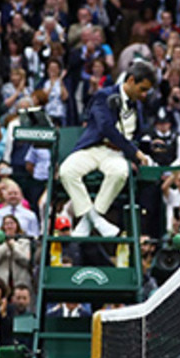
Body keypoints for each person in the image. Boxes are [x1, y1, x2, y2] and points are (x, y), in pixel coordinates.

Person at [57, 60, 155, 237]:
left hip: (116, 154)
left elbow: (136, 135)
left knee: (119, 173)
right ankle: (97, 220)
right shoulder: (103, 95)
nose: (145, 94)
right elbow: (106, 128)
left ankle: (88, 222)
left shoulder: (137, 104)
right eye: (143, 89)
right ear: (131, 80)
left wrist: (149, 146)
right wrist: (135, 152)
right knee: (67, 171)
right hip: (93, 148)